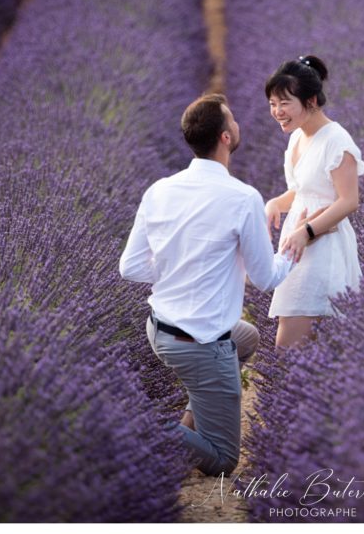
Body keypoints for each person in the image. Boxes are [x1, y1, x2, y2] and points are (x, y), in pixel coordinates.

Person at [119, 93, 305, 476]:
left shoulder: (159, 190)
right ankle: (140, 430)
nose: (238, 125)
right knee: (222, 459)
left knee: (248, 338)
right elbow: (265, 277)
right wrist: (293, 245)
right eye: (233, 120)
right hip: (201, 344)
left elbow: (130, 267)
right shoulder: (242, 198)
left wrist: (179, 269)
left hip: (160, 330)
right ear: (224, 137)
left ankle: (194, 411)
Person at [264, 55, 364, 349]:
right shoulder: (297, 137)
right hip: (298, 245)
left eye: (285, 103)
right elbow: (302, 190)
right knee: (307, 347)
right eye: (272, 103)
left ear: (310, 101)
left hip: (322, 248)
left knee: (289, 347)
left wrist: (306, 232)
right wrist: (275, 203)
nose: (277, 112)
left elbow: (349, 201)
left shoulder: (337, 141)